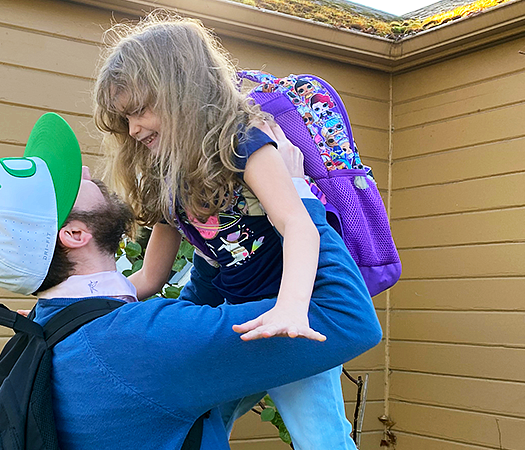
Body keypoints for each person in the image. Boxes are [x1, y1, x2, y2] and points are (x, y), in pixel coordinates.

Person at [0, 112, 381, 449]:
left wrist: (209, 234)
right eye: (75, 183)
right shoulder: (146, 343)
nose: (87, 171)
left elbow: (190, 312)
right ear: (74, 234)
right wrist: (295, 194)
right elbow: (350, 319)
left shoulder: (46, 331)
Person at [93, 13, 359, 449]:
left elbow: (299, 226)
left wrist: (290, 309)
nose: (134, 128)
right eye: (124, 119)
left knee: (321, 437)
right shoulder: (166, 176)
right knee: (198, 421)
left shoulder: (244, 143)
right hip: (236, 322)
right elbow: (150, 277)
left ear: (183, 91)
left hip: (286, 318)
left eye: (140, 110)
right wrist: (78, 302)